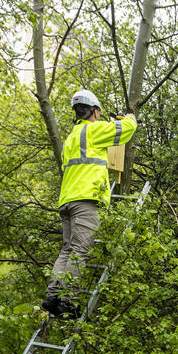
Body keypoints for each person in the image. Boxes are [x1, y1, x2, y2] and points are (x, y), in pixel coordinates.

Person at [42, 90, 137, 318]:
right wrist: (130, 117)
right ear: (94, 111)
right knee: (80, 252)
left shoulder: (70, 139)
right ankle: (67, 302)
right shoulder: (93, 130)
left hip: (67, 200)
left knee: (67, 250)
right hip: (86, 200)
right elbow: (126, 130)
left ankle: (52, 297)